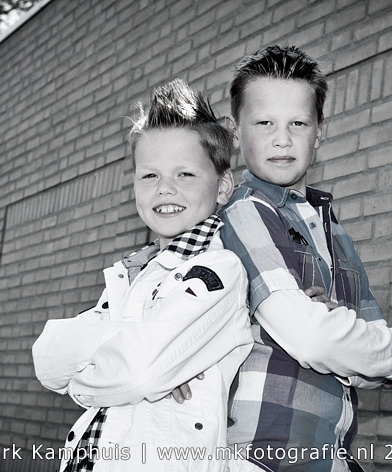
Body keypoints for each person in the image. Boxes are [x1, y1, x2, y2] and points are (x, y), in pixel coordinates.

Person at [32, 78, 253, 472]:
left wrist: (84, 379)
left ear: (223, 187)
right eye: (150, 175)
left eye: (185, 175)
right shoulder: (132, 274)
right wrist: (137, 349)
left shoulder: (218, 269)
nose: (165, 189)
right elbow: (47, 359)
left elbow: (138, 373)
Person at [218, 45, 392, 472]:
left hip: (330, 457)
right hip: (260, 456)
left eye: (298, 123)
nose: (282, 138)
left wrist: (380, 350)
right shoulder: (245, 211)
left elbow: (373, 366)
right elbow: (315, 341)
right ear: (234, 132)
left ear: (320, 132)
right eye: (265, 122)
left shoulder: (334, 231)